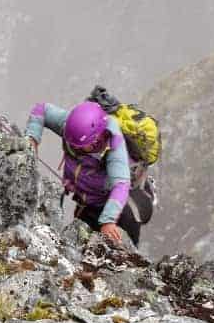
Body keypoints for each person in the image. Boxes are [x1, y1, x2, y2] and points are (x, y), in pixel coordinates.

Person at [26, 100, 151, 246]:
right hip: (87, 199)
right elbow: (41, 109)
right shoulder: (72, 128)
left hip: (119, 203)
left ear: (96, 139)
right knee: (81, 243)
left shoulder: (114, 145)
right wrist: (32, 139)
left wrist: (108, 221)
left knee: (121, 241)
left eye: (79, 146)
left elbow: (121, 184)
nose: (73, 146)